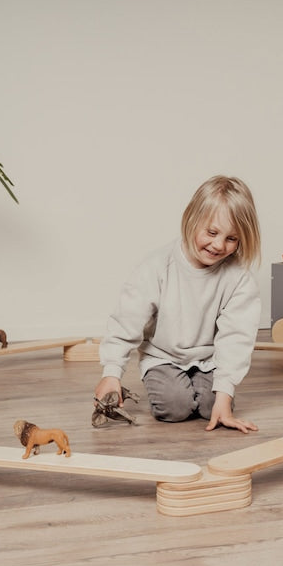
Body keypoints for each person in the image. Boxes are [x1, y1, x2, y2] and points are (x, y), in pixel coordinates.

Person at [94, 175, 262, 434]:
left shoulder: (238, 277)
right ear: (192, 219)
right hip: (163, 357)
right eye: (212, 232)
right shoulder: (157, 267)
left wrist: (225, 392)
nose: (218, 245)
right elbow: (127, 321)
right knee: (175, 407)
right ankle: (179, 387)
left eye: (232, 239)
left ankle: (204, 390)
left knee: (211, 407)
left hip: (209, 360)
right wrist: (112, 372)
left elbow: (236, 337)